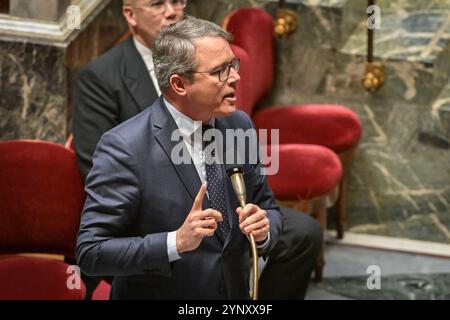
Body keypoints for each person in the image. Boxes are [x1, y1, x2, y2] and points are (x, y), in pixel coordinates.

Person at [73, 0, 321, 300]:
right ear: (179, 84)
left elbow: (267, 206)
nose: (236, 78)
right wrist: (174, 242)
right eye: (220, 71)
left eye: (234, 65)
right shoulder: (124, 146)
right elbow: (91, 251)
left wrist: (264, 228)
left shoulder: (237, 124)